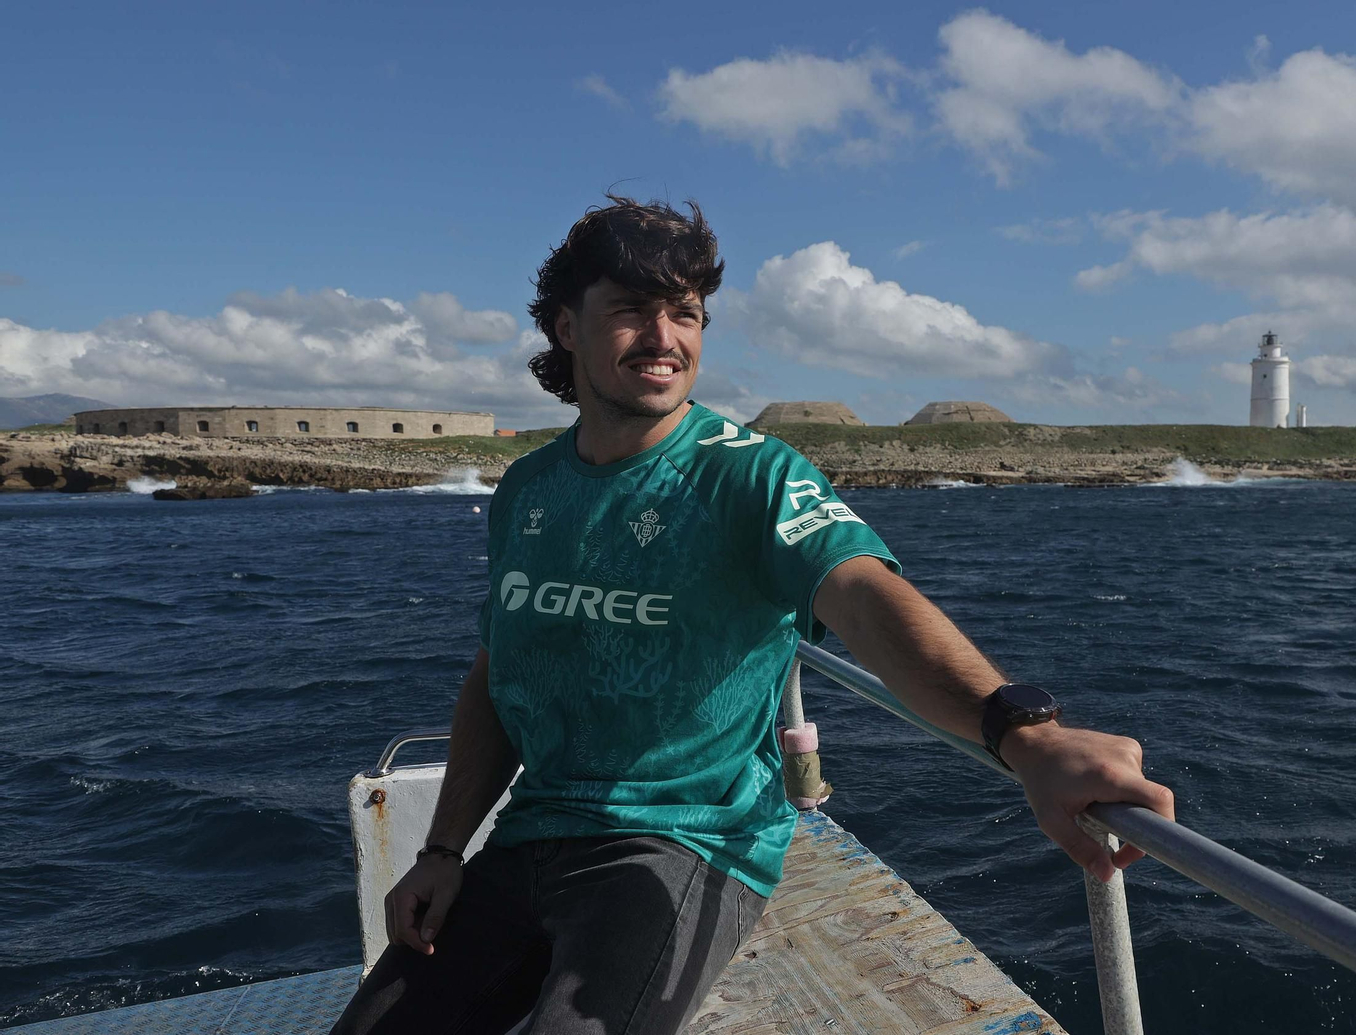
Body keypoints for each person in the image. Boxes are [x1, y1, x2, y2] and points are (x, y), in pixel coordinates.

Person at [330, 196, 1176, 1035]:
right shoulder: (526, 490)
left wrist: (1021, 730)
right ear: (565, 326)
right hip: (529, 835)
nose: (666, 338)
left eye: (687, 313)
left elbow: (864, 595)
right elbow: (498, 673)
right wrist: (443, 850)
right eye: (630, 310)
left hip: (684, 839)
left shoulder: (752, 475)